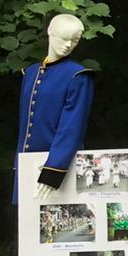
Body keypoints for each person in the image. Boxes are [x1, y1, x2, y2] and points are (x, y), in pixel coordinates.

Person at [17, 14, 95, 201]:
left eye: (74, 40)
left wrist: (53, 170)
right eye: (64, 38)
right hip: (26, 163)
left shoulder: (78, 76)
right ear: (50, 32)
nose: (68, 45)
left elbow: (71, 127)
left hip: (59, 167)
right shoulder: (30, 73)